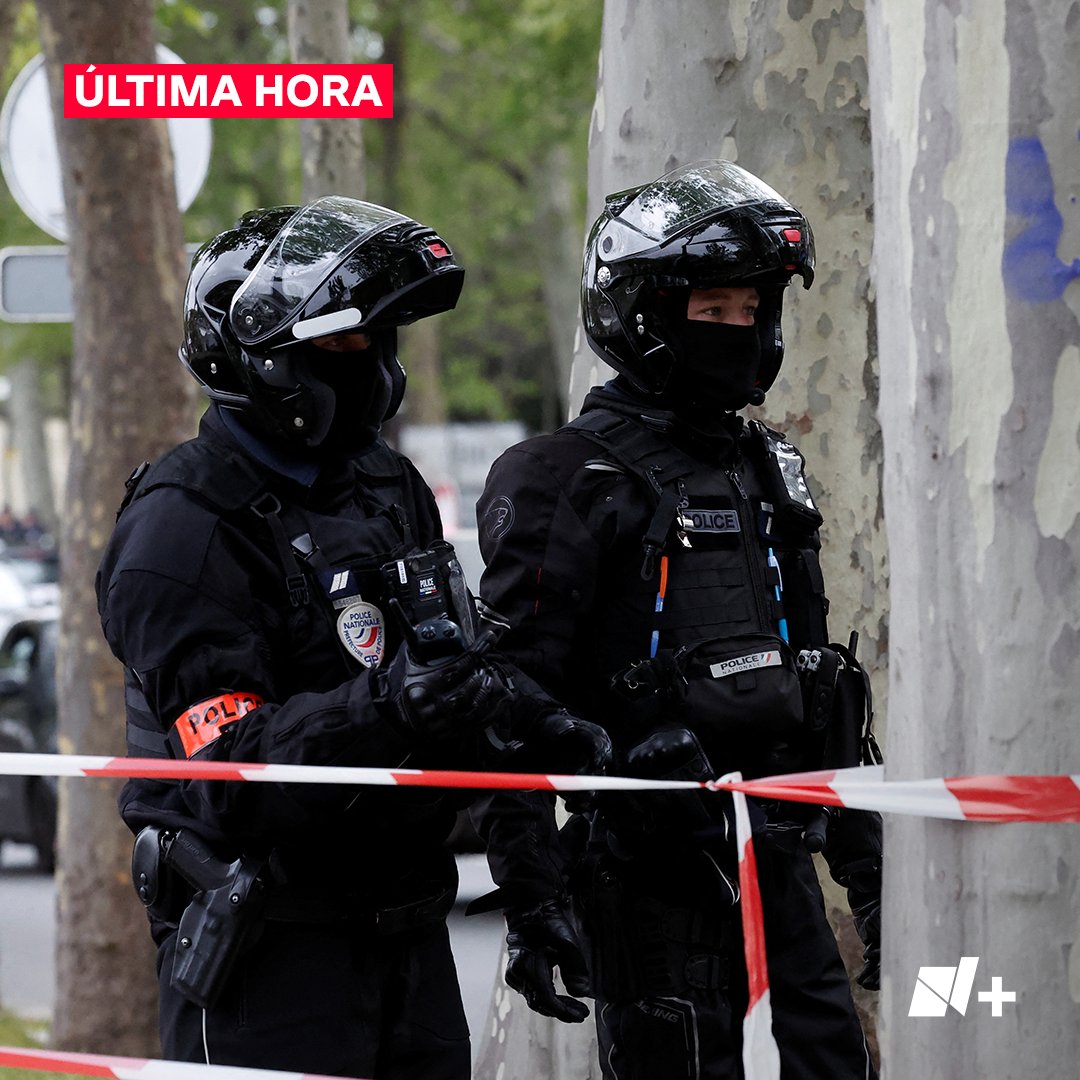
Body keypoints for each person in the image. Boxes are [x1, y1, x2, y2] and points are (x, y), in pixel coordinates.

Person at [96, 196, 609, 1078]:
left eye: (380, 339)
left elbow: (461, 675)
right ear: (260, 359)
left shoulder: (385, 485)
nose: (369, 365)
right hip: (270, 956)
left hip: (408, 934)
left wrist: (535, 875)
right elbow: (229, 777)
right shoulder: (180, 529)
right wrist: (389, 704)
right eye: (340, 344)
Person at [471, 161, 883, 1078]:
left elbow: (815, 673)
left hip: (779, 864)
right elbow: (506, 702)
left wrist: (868, 867)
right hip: (646, 884)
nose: (737, 331)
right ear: (644, 311)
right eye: (712, 310)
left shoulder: (767, 462)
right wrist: (532, 904)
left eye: (750, 310)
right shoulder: (562, 476)